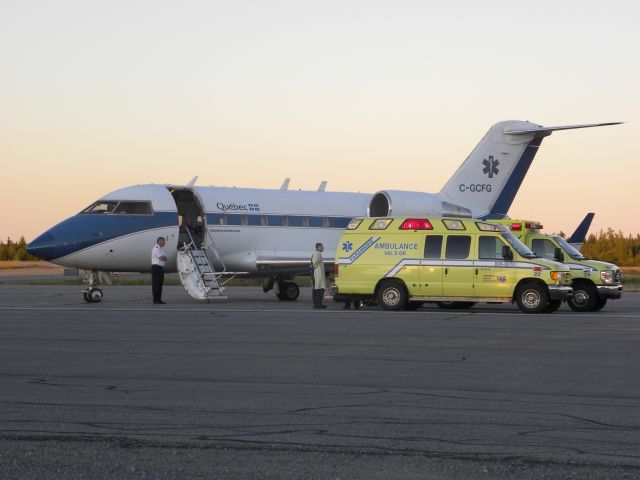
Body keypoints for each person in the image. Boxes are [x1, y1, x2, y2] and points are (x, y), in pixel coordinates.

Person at [151, 237, 167, 304]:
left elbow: (165, 258)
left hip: (160, 268)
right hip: (156, 268)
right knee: (156, 284)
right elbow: (162, 258)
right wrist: (164, 257)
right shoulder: (156, 249)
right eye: (163, 241)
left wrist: (164, 258)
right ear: (159, 241)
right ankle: (155, 299)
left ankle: (158, 299)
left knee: (160, 284)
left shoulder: (161, 249)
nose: (164, 243)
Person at [311, 242, 327, 309]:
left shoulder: (317, 254)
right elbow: (314, 263)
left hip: (318, 274)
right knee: (318, 288)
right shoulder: (317, 254)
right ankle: (317, 303)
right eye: (322, 247)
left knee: (319, 288)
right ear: (319, 247)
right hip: (318, 274)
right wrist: (316, 268)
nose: (323, 248)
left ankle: (318, 303)